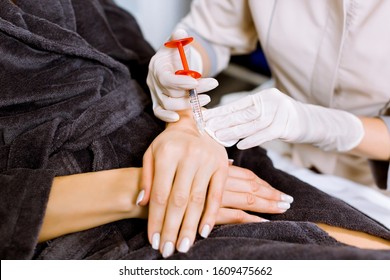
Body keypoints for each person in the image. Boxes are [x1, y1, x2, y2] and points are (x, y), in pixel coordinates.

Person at [1, 0, 390, 261]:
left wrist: (321, 125)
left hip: (268, 158)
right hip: (189, 165)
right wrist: (183, 115)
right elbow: (206, 36)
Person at [147, 0, 390, 192]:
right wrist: (186, 60)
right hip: (271, 140)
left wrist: (319, 124)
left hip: (369, 182)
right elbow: (210, 31)